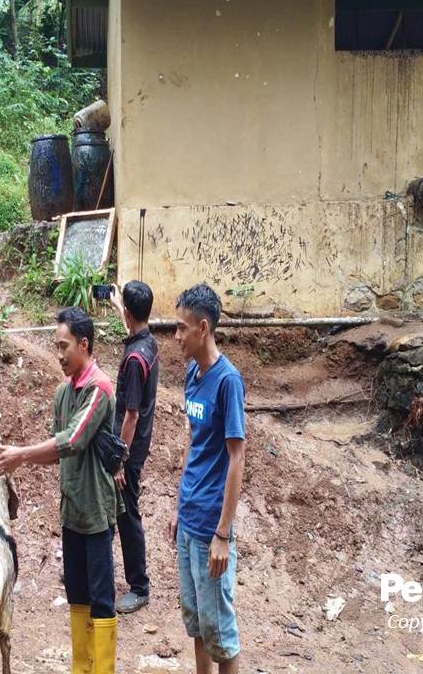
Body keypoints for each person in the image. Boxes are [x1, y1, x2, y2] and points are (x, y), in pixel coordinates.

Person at [0, 306, 122, 674]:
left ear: (84, 344)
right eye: (56, 346)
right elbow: (58, 452)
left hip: (96, 510)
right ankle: (83, 667)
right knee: (78, 595)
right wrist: (26, 457)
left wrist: (21, 455)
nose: (59, 354)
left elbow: (74, 440)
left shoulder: (100, 389)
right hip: (72, 510)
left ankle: (102, 670)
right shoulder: (63, 393)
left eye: (64, 346)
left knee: (101, 598)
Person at [167, 284, 246, 674]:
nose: (176, 337)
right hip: (189, 518)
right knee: (196, 622)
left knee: (220, 633)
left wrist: (223, 534)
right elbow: (193, 440)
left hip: (211, 527)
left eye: (181, 328)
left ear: (202, 328)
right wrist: (178, 505)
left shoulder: (227, 381)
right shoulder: (192, 375)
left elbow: (236, 457)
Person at [108, 281, 159, 614]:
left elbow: (131, 414)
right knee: (110, 506)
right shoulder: (148, 342)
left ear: (129, 312)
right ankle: (91, 564)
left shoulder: (135, 359)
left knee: (127, 514)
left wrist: (119, 461)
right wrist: (117, 305)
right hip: (134, 447)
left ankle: (139, 586)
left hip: (128, 450)